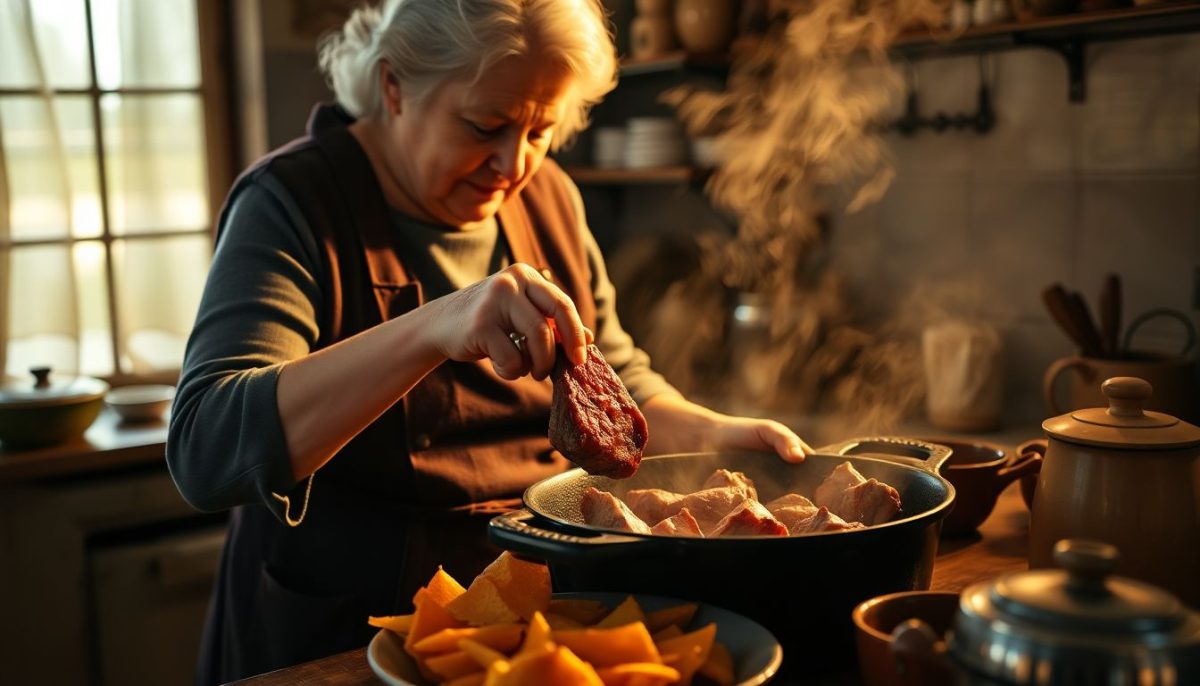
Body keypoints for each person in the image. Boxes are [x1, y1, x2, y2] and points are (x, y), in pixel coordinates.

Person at [166, 0, 812, 683]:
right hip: (345, 637)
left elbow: (613, 372)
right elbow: (208, 451)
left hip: (528, 622)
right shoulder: (290, 202)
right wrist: (434, 326)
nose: (513, 164)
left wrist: (716, 434)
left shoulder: (552, 198)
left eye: (541, 130)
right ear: (394, 87)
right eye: (486, 125)